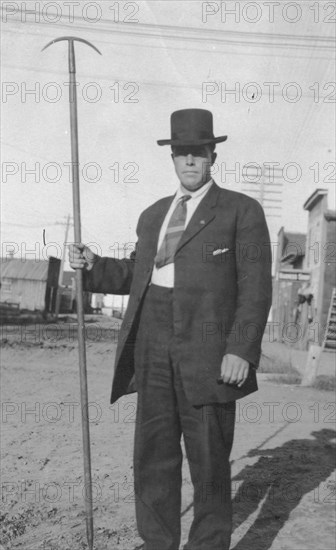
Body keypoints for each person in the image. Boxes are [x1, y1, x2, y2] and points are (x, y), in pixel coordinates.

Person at [70, 108, 272, 550]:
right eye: (181, 153)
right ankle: (157, 542)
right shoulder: (154, 214)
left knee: (210, 465)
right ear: (173, 157)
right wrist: (93, 266)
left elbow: (256, 290)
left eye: (198, 152)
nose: (190, 162)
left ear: (212, 155)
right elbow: (136, 273)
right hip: (152, 345)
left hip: (210, 351)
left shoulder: (241, 211)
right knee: (154, 457)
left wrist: (240, 349)